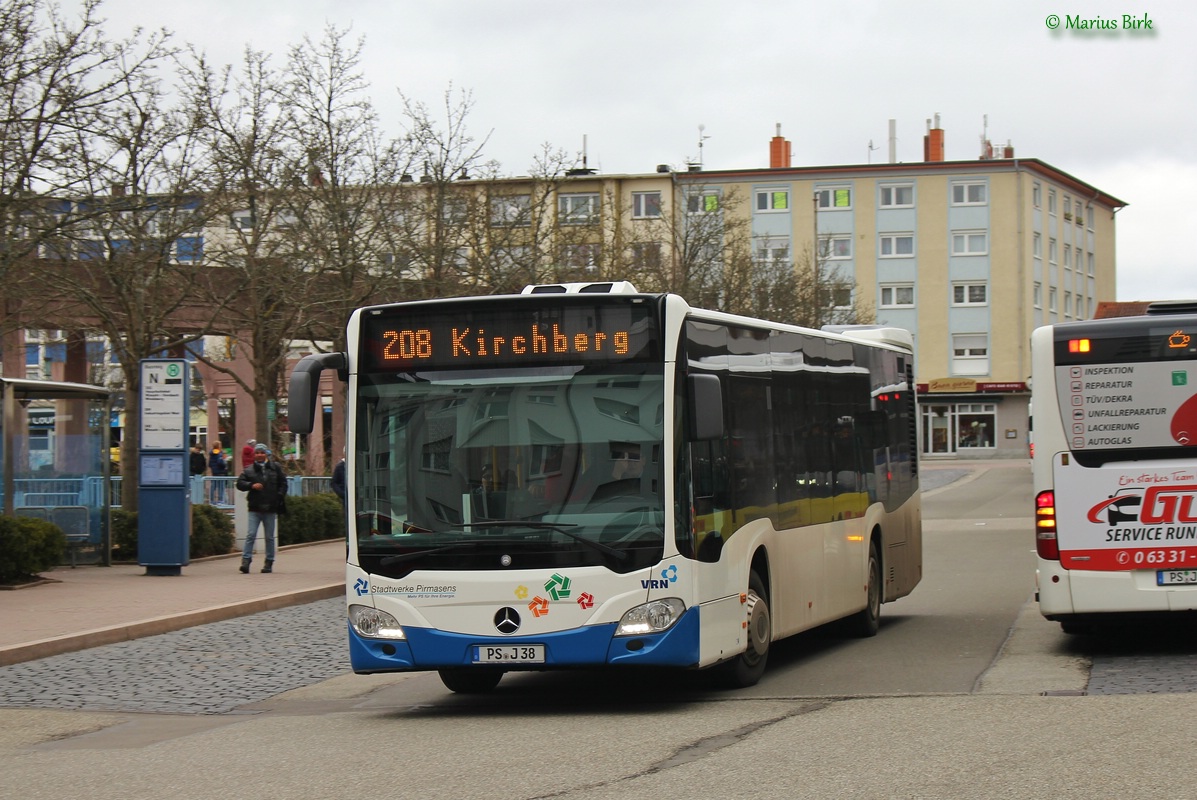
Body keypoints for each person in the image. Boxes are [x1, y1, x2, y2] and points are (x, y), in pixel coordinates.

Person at [235, 443, 288, 573]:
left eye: (262, 453)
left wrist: (279, 496)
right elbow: (240, 484)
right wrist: (251, 485)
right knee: (251, 534)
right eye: (257, 453)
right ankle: (246, 561)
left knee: (269, 537)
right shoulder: (249, 470)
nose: (260, 455)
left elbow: (283, 483)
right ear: (254, 454)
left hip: (270, 507)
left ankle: (269, 562)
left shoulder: (275, 468)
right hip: (255, 507)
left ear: (266, 454)